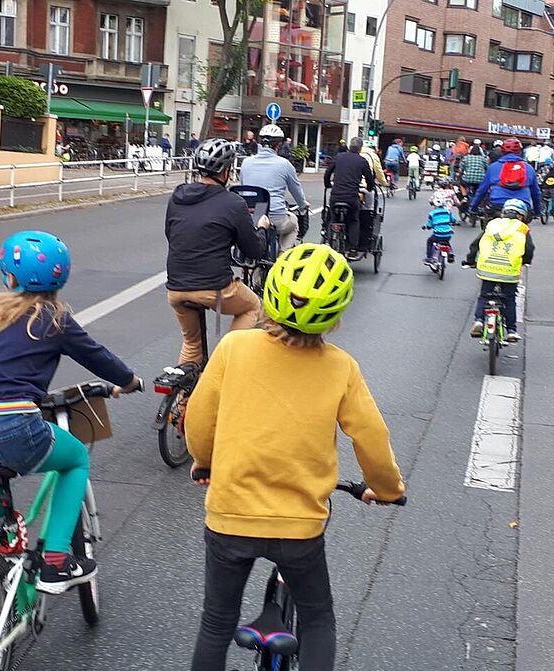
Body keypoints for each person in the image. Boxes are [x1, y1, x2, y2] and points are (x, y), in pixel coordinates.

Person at [185, 242, 406, 671]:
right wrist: (386, 489)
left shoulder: (234, 348)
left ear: (269, 295)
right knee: (319, 619)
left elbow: (199, 421)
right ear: (337, 316)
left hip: (230, 517)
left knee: (216, 622)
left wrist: (205, 461)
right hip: (299, 528)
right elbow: (371, 436)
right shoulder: (340, 367)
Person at [0, 230, 140, 595]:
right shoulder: (53, 318)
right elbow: (97, 357)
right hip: (14, 427)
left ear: (9, 276)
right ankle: (55, 562)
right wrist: (128, 381)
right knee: (76, 459)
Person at [166, 139, 273, 366]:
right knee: (255, 307)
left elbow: (171, 234)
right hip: (215, 288)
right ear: (226, 170)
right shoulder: (233, 203)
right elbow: (254, 249)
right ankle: (222, 363)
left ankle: (183, 398)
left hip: (176, 289)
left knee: (192, 343)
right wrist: (262, 228)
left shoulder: (177, 197)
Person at [463, 199, 534, 343]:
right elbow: (529, 249)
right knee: (509, 299)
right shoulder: (522, 228)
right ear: (521, 215)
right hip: (509, 269)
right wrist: (526, 261)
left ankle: (479, 321)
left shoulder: (492, 224)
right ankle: (512, 331)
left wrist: (471, 260)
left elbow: (475, 244)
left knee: (484, 296)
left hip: (487, 267)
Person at [241, 124, 310, 251]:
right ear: (278, 145)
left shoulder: (246, 162)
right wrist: (302, 205)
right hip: (276, 217)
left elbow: (243, 187)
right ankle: (282, 256)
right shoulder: (285, 165)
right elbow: (296, 190)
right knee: (293, 222)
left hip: (253, 216)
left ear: (260, 142)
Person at [324, 136, 379, 253]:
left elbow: (328, 172)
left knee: (333, 217)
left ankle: (329, 242)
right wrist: (370, 187)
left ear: (349, 146)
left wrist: (328, 184)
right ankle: (353, 248)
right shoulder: (362, 161)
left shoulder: (338, 157)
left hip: (336, 196)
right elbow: (369, 179)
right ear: (360, 149)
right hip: (351, 197)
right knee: (354, 220)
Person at [469, 138, 541, 220]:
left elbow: (482, 190)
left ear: (502, 152)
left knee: (489, 230)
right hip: (522, 205)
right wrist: (537, 211)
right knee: (522, 231)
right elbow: (536, 192)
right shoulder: (529, 168)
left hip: (498, 204)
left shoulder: (493, 167)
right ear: (520, 152)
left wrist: (473, 208)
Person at [424, 195, 457, 264]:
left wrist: (427, 227)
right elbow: (453, 220)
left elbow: (429, 225)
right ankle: (450, 253)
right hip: (447, 234)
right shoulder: (447, 212)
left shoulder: (432, 213)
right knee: (446, 242)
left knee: (429, 242)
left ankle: (429, 258)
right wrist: (453, 222)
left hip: (437, 235)